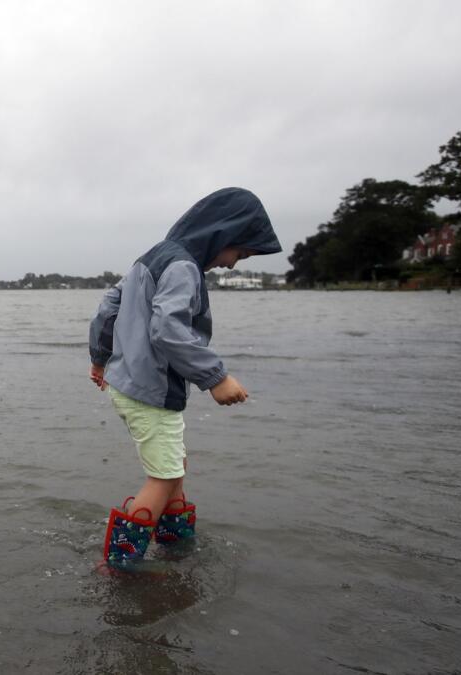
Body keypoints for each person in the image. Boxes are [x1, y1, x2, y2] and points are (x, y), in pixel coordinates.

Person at [88, 187, 281, 570]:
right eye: (239, 253)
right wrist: (215, 377)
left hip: (130, 385)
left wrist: (100, 357)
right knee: (162, 477)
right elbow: (168, 330)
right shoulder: (183, 266)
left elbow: (109, 307)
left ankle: (176, 545)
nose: (233, 264)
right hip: (152, 390)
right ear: (221, 235)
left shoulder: (153, 257)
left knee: (173, 469)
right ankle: (116, 566)